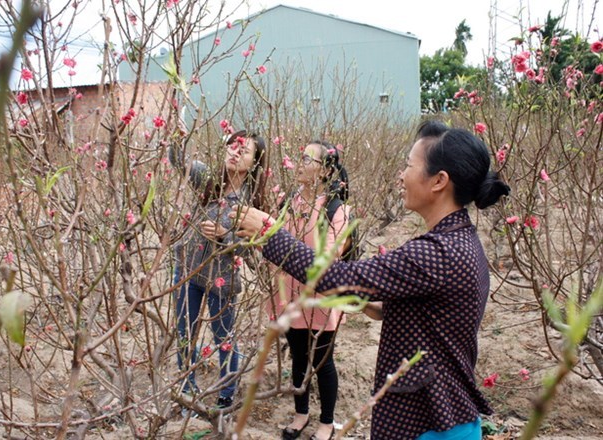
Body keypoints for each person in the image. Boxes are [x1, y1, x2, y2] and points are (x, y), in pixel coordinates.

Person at [231, 121, 510, 439]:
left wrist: (269, 235)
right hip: (438, 416)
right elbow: (431, 312)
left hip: (432, 425)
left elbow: (339, 276)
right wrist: (377, 302)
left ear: (438, 181)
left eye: (408, 165)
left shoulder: (439, 251)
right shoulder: (456, 240)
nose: (401, 176)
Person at [170, 130, 266, 409]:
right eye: (233, 145)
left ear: (254, 162)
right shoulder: (208, 179)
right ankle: (187, 387)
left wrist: (226, 235)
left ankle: (226, 394)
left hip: (221, 280)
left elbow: (251, 249)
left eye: (244, 150)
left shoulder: (250, 203)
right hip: (188, 269)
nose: (236, 152)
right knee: (184, 331)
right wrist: (178, 137)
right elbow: (178, 159)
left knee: (224, 338)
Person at [274, 141, 350, 440]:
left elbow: (327, 261)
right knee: (297, 357)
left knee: (322, 362)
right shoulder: (288, 202)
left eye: (307, 159)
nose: (300, 163)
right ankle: (301, 413)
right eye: (300, 157)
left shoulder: (335, 209)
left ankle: (327, 421)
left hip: (321, 298)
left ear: (324, 170)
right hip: (291, 296)